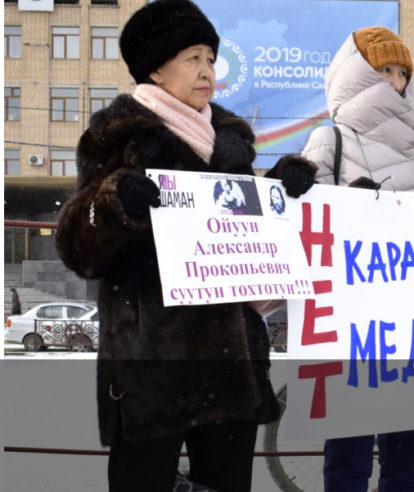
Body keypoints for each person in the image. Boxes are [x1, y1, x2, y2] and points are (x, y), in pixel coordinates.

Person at [55, 1, 289, 490]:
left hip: (231, 361)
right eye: (192, 59)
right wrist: (114, 200)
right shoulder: (116, 138)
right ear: (156, 70)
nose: (207, 72)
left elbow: (253, 238)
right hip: (152, 364)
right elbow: (76, 244)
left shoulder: (231, 144)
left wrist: (284, 192)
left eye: (210, 58)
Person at [270, 26, 414, 492]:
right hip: (350, 324)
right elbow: (299, 220)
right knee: (348, 458)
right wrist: (338, 202)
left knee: (408, 460)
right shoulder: (331, 139)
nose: (396, 81)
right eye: (384, 69)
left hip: (410, 324)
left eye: (403, 72)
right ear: (357, 74)